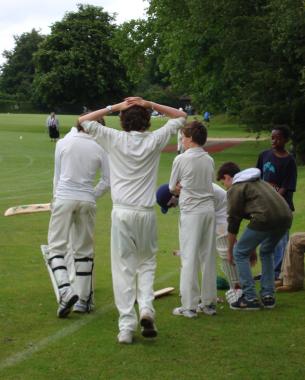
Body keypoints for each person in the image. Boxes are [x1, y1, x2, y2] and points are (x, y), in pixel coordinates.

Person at [78, 98, 186, 344]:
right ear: (147, 121)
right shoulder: (154, 139)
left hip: (122, 212)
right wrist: (150, 103)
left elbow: (82, 121)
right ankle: (146, 308)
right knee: (146, 263)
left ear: (123, 121)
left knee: (124, 268)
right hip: (146, 213)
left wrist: (115, 107)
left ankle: (126, 326)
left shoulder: (114, 138)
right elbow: (181, 117)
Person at [47, 121, 110, 318]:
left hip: (64, 198)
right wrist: (91, 194)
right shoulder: (101, 146)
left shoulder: (62, 143)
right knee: (84, 251)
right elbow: (107, 180)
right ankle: (83, 300)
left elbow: (57, 178)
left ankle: (66, 290)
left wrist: (55, 200)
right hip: (87, 201)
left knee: (56, 248)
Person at [217, 162, 292, 310]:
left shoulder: (236, 188)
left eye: (222, 182)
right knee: (266, 251)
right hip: (285, 217)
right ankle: (268, 296)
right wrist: (250, 248)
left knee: (239, 253)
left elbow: (233, 223)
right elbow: (255, 215)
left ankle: (250, 298)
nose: (225, 187)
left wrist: (231, 250)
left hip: (265, 218)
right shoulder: (258, 182)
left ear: (226, 177)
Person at [168, 121, 217, 318]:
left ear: (190, 138)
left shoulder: (181, 159)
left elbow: (172, 187)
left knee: (189, 257)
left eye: (183, 137)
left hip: (192, 212)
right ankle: (208, 303)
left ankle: (188, 306)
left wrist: (181, 186)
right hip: (208, 210)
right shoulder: (209, 159)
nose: (181, 140)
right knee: (207, 256)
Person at [256, 125, 297, 279]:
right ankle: (267, 271)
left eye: (278, 138)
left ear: (285, 140)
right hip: (264, 206)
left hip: (281, 208)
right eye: (272, 137)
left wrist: (272, 201)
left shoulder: (289, 161)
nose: (274, 141)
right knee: (265, 241)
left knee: (280, 241)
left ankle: (277, 272)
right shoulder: (264, 155)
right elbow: (257, 178)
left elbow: (286, 187)